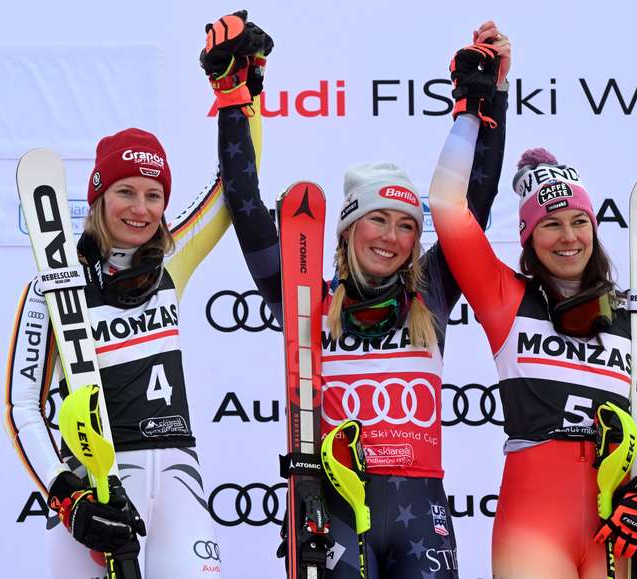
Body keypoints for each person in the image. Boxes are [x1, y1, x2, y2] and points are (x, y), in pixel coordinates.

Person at [209, 18, 511, 578]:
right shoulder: (304, 297)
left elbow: (474, 203)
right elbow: (245, 205)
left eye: (405, 225)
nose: (392, 238)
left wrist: (484, 100)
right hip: (333, 512)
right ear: (346, 231)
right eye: (378, 220)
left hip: (420, 514)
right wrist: (235, 97)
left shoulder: (432, 294)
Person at [4, 14, 271, 575]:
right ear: (98, 198)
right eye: (125, 190)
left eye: (154, 194)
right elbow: (21, 407)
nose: (140, 208)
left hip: (178, 477)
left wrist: (239, 95)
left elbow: (233, 191)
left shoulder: (172, 264)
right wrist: (66, 496)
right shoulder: (53, 285)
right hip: (94, 485)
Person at [428, 61, 637, 577]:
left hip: (616, 516)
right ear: (529, 238)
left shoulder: (630, 314)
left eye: (579, 221)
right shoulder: (506, 298)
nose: (568, 236)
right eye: (550, 225)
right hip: (534, 520)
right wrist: (471, 105)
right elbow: (446, 205)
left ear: (594, 230)